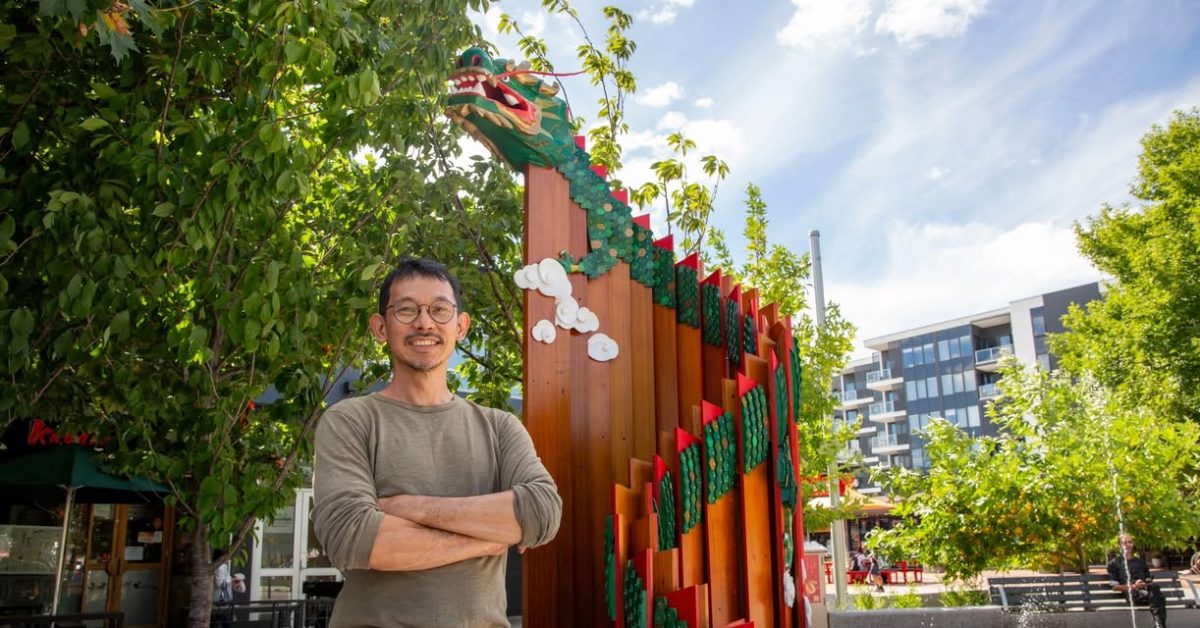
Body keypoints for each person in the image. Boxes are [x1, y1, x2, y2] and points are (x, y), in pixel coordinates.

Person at [312, 258, 563, 627]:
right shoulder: (350, 421)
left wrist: (409, 508)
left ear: (461, 326)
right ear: (381, 327)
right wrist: (488, 540)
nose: (424, 322)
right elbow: (352, 538)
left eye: (440, 310)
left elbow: (542, 512)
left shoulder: (500, 427)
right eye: (406, 309)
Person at [1107, 533, 1167, 628]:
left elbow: (1148, 580)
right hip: (1132, 594)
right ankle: (1160, 625)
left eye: (1130, 542)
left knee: (1155, 589)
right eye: (1124, 543)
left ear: (1133, 544)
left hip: (1147, 593)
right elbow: (1114, 587)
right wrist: (1134, 586)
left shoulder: (1140, 562)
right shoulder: (1114, 563)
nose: (1127, 545)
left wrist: (1144, 583)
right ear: (1119, 546)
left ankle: (1159, 625)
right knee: (1159, 597)